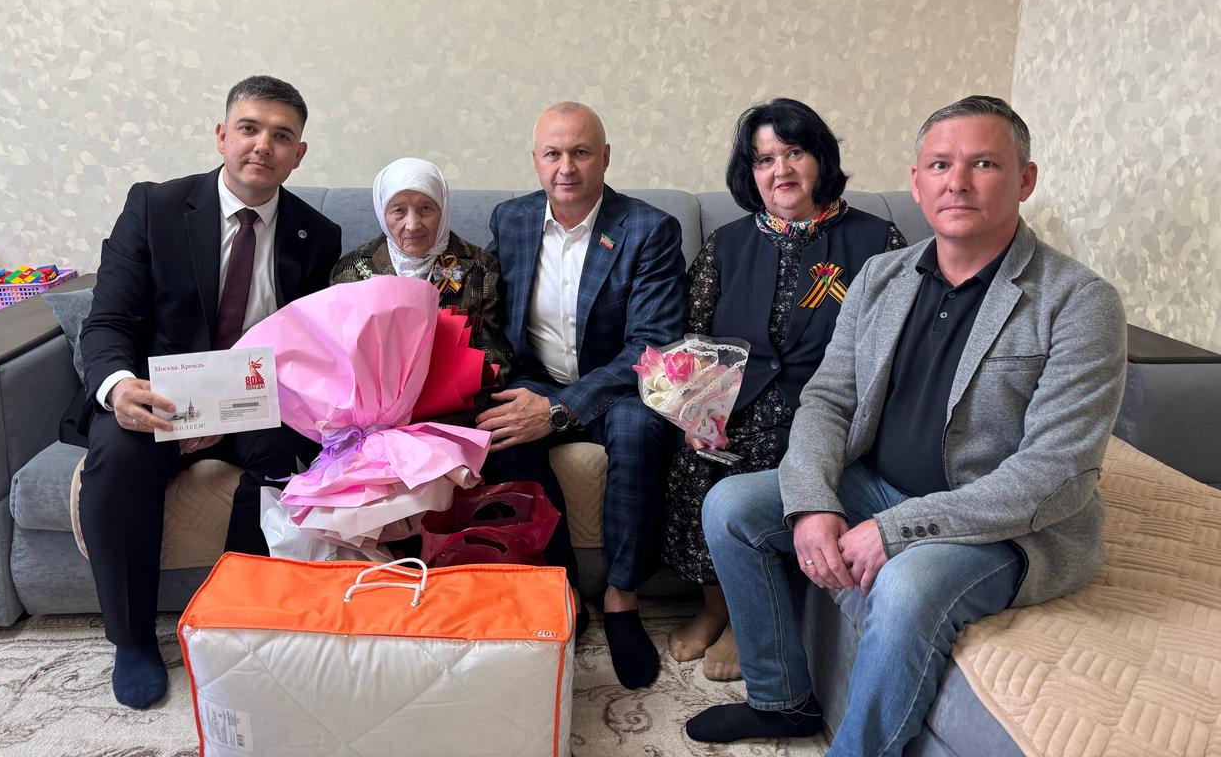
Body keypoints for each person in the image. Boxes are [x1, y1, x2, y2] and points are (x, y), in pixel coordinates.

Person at [687, 96, 1127, 752]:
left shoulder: (1079, 302)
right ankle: (782, 702)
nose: (958, 182)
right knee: (730, 506)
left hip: (998, 523)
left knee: (907, 584)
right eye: (940, 165)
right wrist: (812, 501)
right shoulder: (882, 276)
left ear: (1025, 180)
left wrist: (896, 531)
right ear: (917, 182)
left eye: (984, 164)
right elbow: (828, 399)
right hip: (877, 482)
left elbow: (1056, 474)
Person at [67, 76, 342, 710]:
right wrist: (117, 388)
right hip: (158, 399)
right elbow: (108, 321)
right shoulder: (154, 207)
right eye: (249, 128)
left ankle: (245, 611)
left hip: (256, 403)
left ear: (298, 154)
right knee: (117, 458)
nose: (262, 145)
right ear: (222, 136)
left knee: (309, 456)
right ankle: (133, 639)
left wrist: (235, 413)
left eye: (281, 136)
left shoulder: (316, 234)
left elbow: (311, 347)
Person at [663, 99, 906, 680]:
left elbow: (898, 347)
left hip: (826, 414)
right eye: (765, 159)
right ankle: (715, 607)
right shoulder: (726, 244)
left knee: (779, 459)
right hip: (735, 409)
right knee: (694, 462)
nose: (781, 170)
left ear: (820, 158)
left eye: (794, 153)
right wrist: (698, 416)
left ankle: (751, 620)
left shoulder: (877, 242)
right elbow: (692, 338)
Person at [475, 101, 687, 689]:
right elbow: (491, 314)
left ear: (605, 158)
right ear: (536, 161)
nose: (566, 167)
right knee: (497, 424)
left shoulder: (649, 229)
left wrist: (559, 410)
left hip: (619, 382)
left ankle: (622, 597)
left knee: (639, 429)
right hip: (537, 373)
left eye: (581, 152)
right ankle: (561, 583)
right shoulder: (511, 219)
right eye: (553, 154)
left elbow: (650, 345)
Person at [330, 157, 512, 420]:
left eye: (425, 208)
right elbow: (338, 358)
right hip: (374, 416)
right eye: (398, 211)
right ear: (382, 212)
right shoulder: (352, 270)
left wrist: (449, 395)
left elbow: (498, 360)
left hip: (456, 412)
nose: (413, 224)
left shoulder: (481, 267)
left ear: (443, 209)